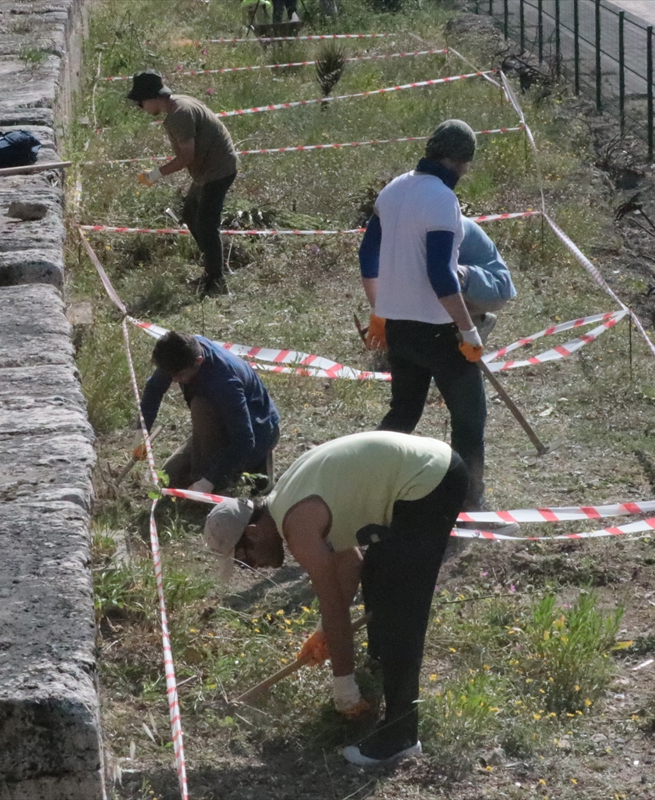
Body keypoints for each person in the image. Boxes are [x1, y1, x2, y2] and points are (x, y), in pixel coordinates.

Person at [203, 431, 469, 767]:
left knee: (401, 608)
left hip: (429, 481)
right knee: (379, 578)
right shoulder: (288, 501)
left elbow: (333, 605)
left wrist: (343, 687)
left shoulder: (296, 524)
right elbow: (350, 564)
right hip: (427, 473)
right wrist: (323, 631)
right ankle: (379, 673)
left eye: (245, 558)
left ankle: (401, 737)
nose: (251, 567)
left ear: (253, 533)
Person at [357, 119, 487, 510]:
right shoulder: (441, 199)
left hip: (399, 330)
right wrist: (468, 330)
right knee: (469, 418)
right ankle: (467, 502)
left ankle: (367, 481)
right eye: (465, 165)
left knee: (404, 411)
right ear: (458, 160)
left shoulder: (393, 189)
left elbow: (367, 254)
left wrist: (379, 309)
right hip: (438, 331)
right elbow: (439, 274)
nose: (463, 173)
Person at [127, 71, 239, 295]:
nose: (141, 108)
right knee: (190, 213)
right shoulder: (180, 104)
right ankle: (215, 266)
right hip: (209, 171)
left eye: (141, 103)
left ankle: (216, 282)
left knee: (206, 225)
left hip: (217, 171)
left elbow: (186, 156)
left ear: (152, 97)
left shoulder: (180, 114)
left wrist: (154, 175)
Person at [138, 331, 280, 494]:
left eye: (180, 375)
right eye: (171, 375)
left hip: (257, 430)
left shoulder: (225, 382)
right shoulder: (183, 350)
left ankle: (259, 462)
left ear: (199, 361)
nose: (174, 380)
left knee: (201, 406)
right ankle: (210, 468)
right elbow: (154, 388)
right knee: (169, 479)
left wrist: (208, 481)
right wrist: (141, 431)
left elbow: (244, 440)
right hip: (222, 423)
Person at [456, 217, 516, 343]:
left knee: (441, 270)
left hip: (495, 288)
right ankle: (477, 320)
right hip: (474, 285)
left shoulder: (449, 223)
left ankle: (472, 325)